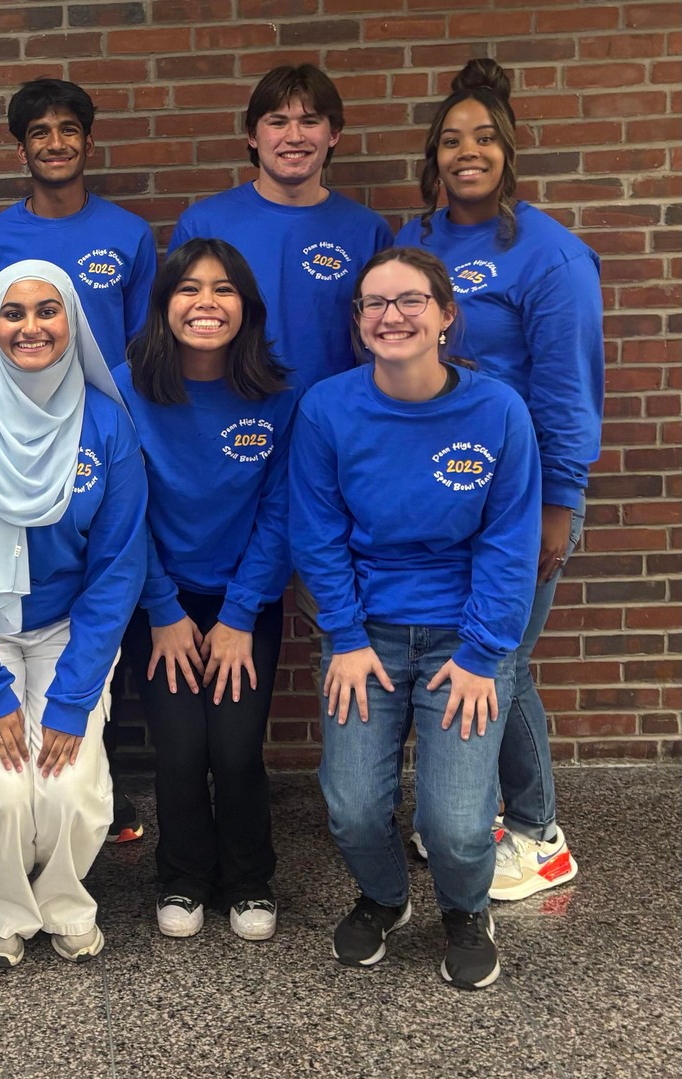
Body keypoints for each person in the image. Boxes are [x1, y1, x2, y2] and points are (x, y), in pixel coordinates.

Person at [290, 247, 541, 991]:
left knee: (457, 826)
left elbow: (509, 540)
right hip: (362, 633)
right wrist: (340, 633)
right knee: (351, 805)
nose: (390, 315)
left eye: (408, 301)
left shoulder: (496, 409)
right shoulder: (327, 408)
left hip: (463, 639)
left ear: (443, 314)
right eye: (373, 303)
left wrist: (481, 651)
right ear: (358, 320)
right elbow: (316, 529)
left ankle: (465, 910)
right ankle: (385, 898)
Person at [398, 58, 601, 901]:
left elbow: (565, 388)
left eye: (482, 137)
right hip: (441, 502)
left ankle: (537, 833)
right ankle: (474, 811)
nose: (465, 152)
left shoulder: (549, 254)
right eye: (450, 140)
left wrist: (559, 503)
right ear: (433, 158)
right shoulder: (416, 245)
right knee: (481, 657)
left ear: (508, 150)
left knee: (502, 661)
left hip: (520, 505)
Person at [0, 259, 147, 967]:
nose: (30, 326)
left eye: (48, 310)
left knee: (69, 785)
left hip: (66, 626)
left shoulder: (104, 423)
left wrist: (75, 696)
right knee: (6, 793)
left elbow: (117, 567)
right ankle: (4, 908)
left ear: (71, 320)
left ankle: (66, 901)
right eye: (13, 312)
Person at [0, 78, 157, 841]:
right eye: (38, 131)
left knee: (111, 602)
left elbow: (143, 350)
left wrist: (126, 437)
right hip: (16, 443)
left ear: (86, 139)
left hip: (103, 446)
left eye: (67, 128)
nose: (53, 141)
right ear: (20, 148)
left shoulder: (128, 234)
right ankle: (30, 784)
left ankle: (97, 776)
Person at [114, 239, 298, 942]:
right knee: (180, 746)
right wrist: (161, 608)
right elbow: (121, 512)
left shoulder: (279, 396)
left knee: (235, 746)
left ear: (244, 308)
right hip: (157, 596)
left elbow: (281, 512)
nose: (205, 303)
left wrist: (241, 613)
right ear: (164, 305)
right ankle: (183, 877)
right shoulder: (124, 386)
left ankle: (248, 880)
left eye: (222, 290)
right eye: (188, 289)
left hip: (243, 601)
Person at [169, 64, 392, 392]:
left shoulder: (368, 230)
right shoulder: (203, 224)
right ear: (252, 134)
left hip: (333, 418)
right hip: (234, 416)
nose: (294, 137)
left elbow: (384, 338)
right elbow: (174, 334)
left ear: (333, 133)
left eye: (309, 121)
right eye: (277, 122)